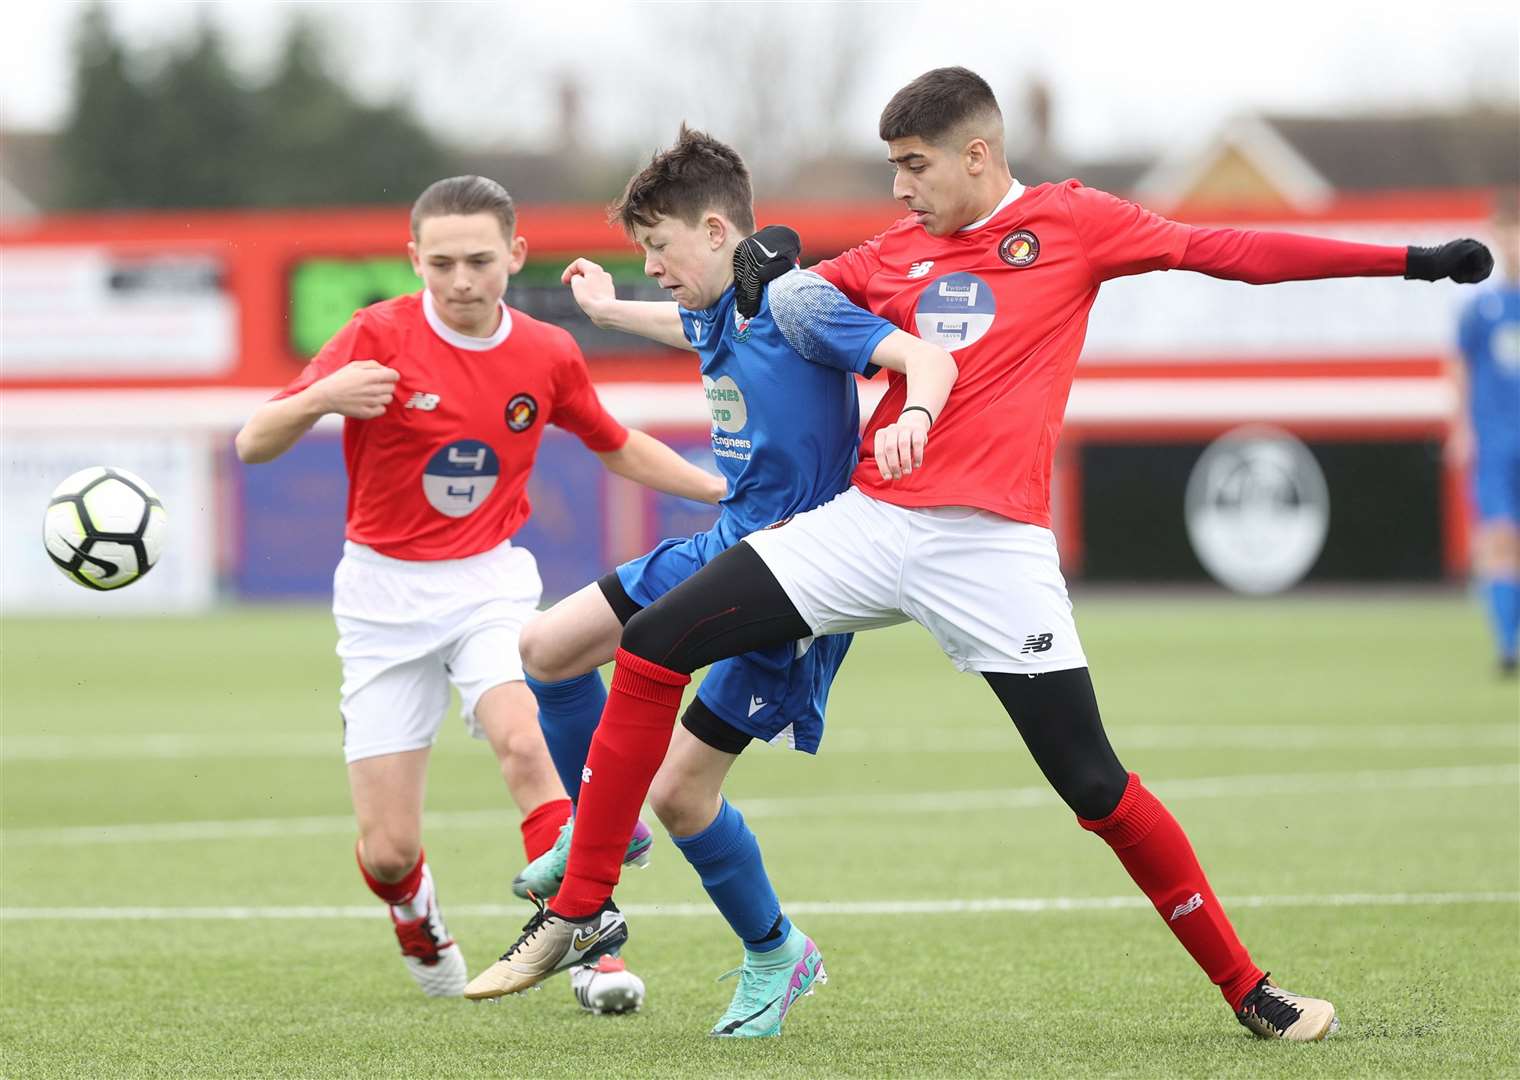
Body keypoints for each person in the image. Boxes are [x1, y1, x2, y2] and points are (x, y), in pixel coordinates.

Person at [464, 68, 1497, 1041]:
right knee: (651, 644)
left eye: (912, 164)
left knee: (1093, 785)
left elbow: (1223, 249)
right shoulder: (889, 257)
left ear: (977, 153)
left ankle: (1249, 990)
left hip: (990, 551)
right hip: (868, 525)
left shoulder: (1073, 223)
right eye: (891, 168)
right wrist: (758, 278)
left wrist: (1409, 261)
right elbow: (780, 298)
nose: (898, 187)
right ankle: (581, 904)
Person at [465, 128, 958, 1039]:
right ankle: (602, 834)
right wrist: (611, 313)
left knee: (685, 793)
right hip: (721, 544)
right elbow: (683, 324)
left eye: (659, 247)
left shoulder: (799, 305)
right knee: (545, 649)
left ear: (719, 228)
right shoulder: (722, 305)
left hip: (796, 582)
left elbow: (922, 359)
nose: (651, 266)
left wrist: (916, 413)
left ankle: (775, 950)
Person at [234, 175, 726, 1009]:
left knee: (526, 746)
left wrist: (721, 493)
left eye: (479, 261)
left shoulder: (545, 351)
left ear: (515, 255)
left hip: (488, 582)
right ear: (415, 260)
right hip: (380, 599)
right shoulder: (374, 335)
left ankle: (588, 936)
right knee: (388, 850)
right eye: (442, 263)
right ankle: (416, 915)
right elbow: (253, 443)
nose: (461, 280)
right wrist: (322, 396)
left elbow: (616, 445)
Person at [1451, 191, 1520, 676]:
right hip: (1497, 443)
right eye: (1508, 234)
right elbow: (1458, 367)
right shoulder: (1480, 309)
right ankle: (1507, 644)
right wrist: (1460, 428)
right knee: (1499, 538)